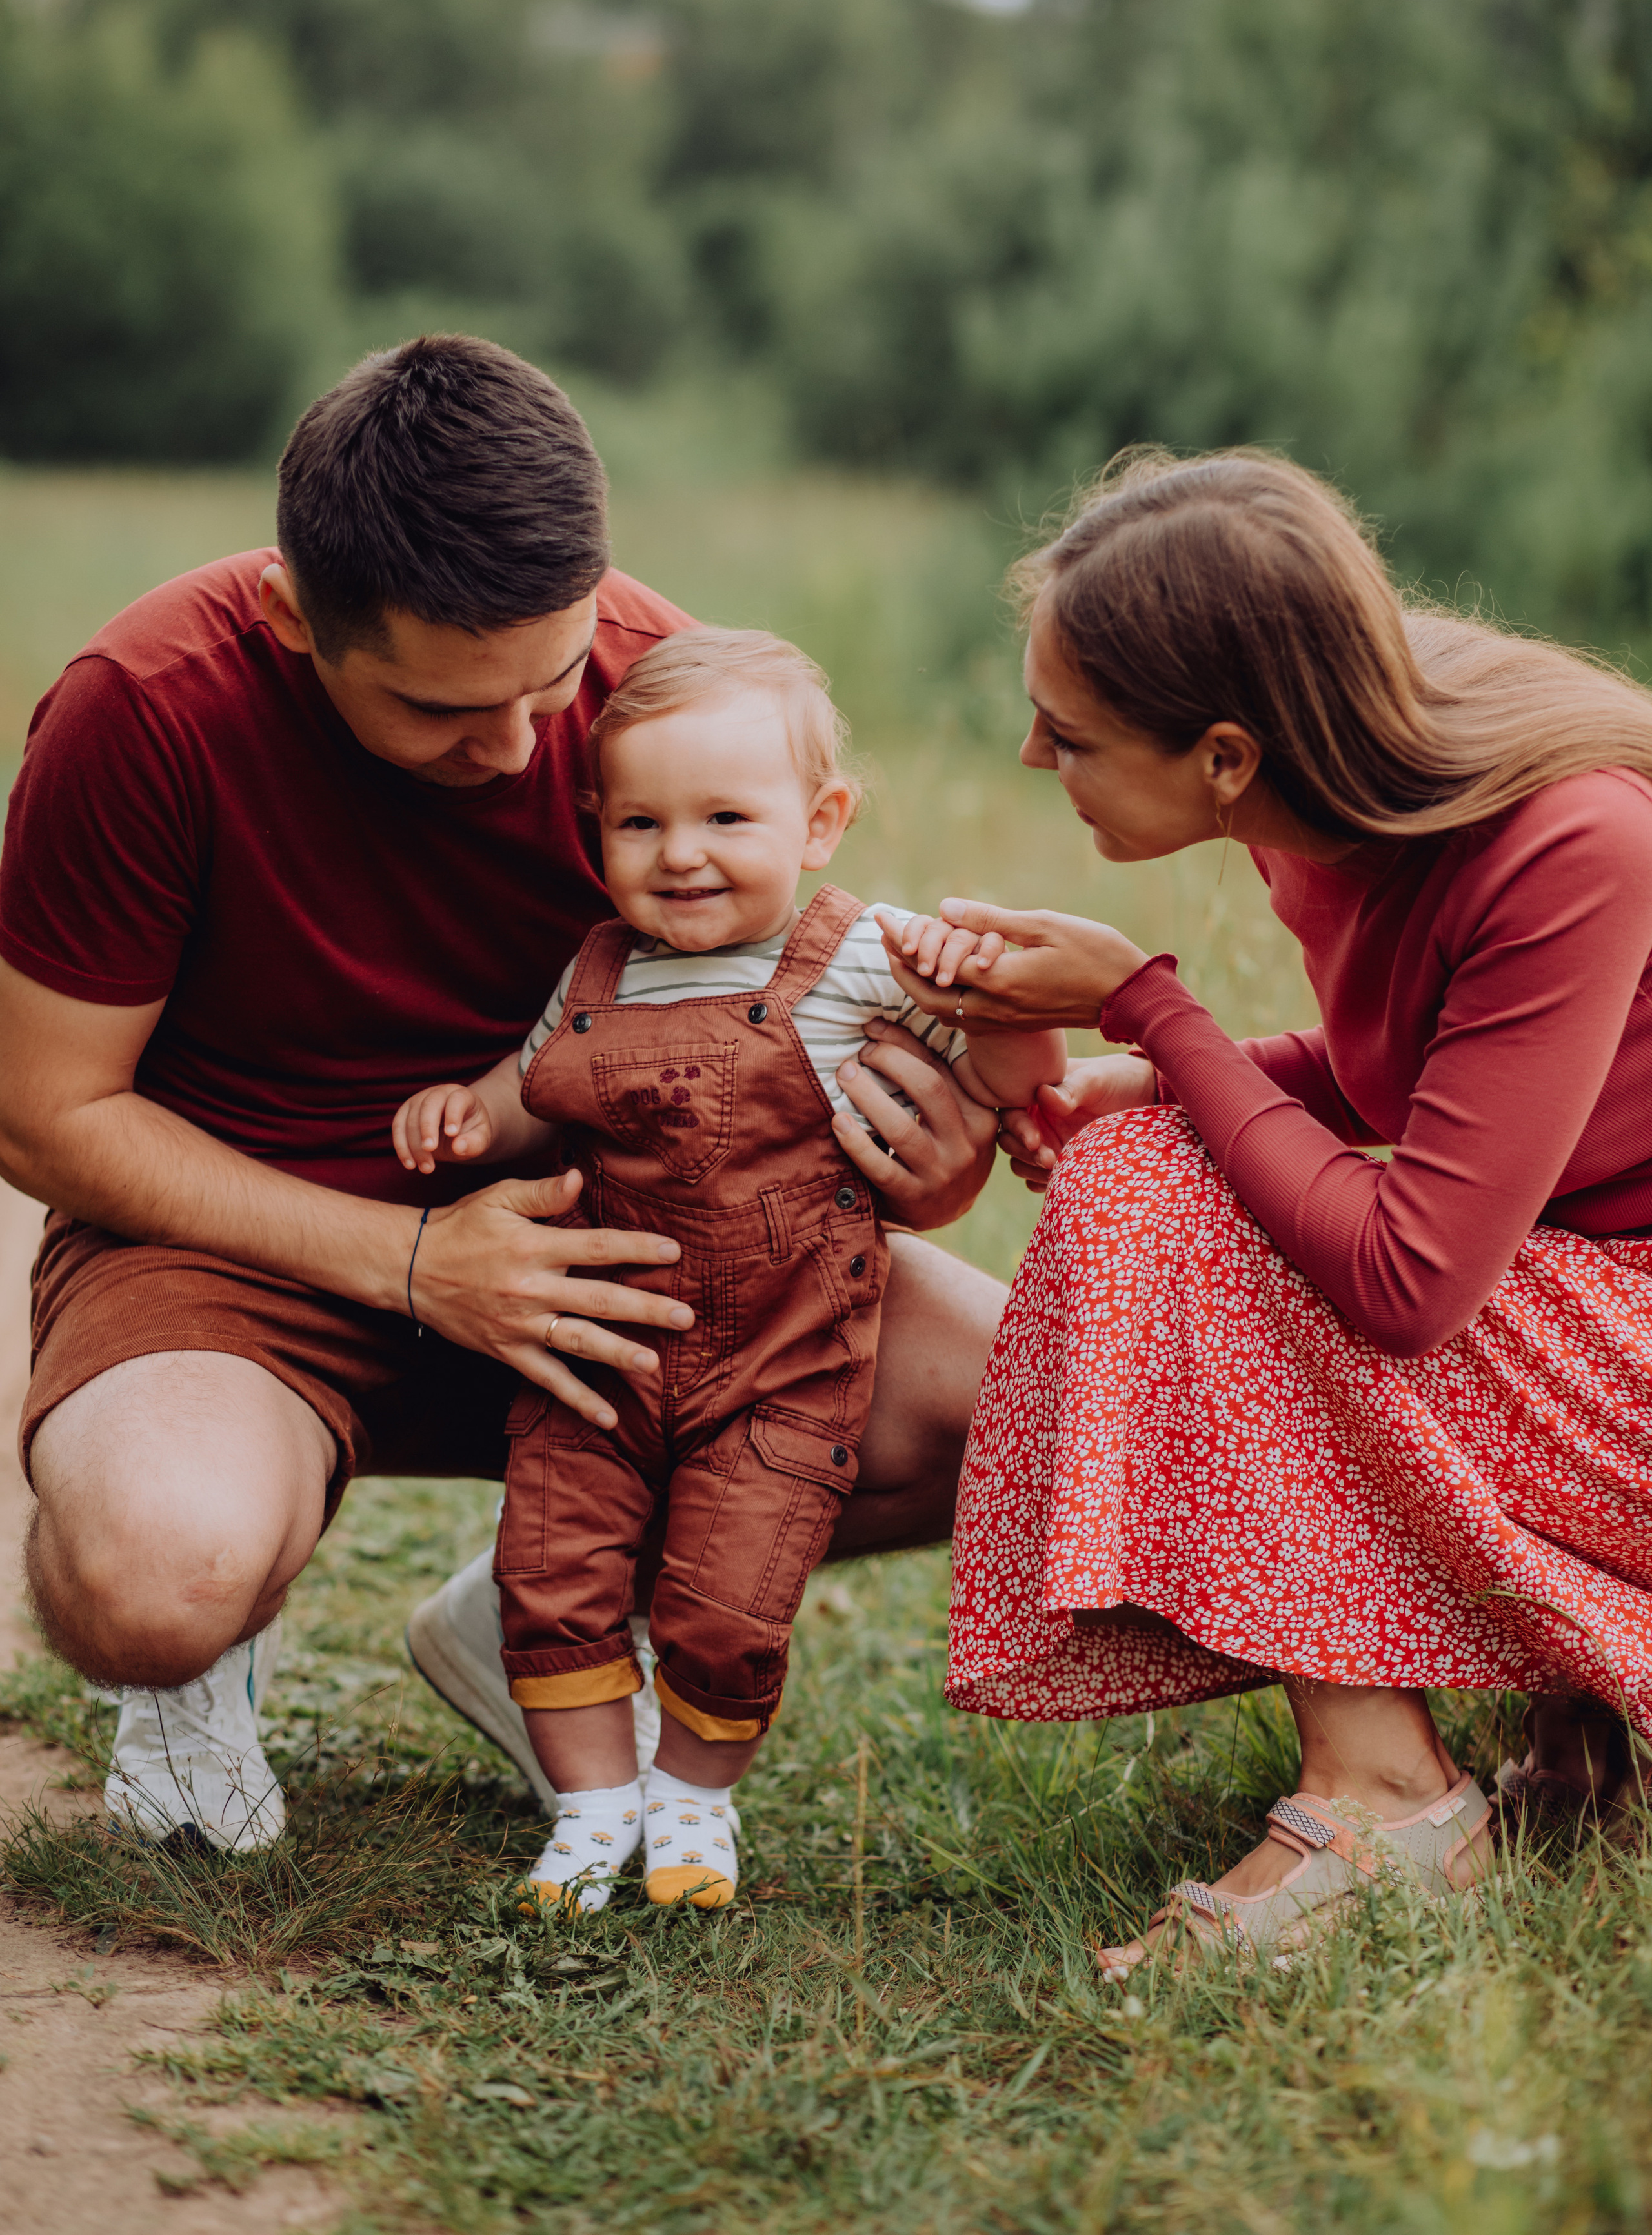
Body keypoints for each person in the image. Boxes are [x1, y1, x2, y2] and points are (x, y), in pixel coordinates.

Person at [0, 335, 1004, 1852]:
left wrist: (923, 1156)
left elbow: (779, 1010)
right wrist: (411, 1262)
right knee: (158, 1578)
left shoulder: (645, 680)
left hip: (617, 1243)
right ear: (295, 619)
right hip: (236, 1249)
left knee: (1013, 1394)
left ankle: (546, 1608)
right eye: (441, 712)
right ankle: (201, 1664)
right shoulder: (144, 707)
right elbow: (44, 1114)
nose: (524, 747)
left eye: (550, 681)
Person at [885, 446, 1652, 1974]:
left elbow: (1409, 1277)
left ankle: (1386, 1803)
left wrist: (1149, 1014)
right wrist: (1180, 1070)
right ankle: (1523, 1719)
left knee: (1168, 1196)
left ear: (1227, 755)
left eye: (1071, 732)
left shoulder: (1571, 834)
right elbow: (1449, 1072)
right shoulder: (1343, 775)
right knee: (1150, 1161)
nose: (1037, 760)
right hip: (1584, 1281)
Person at [391, 627, 1064, 1912]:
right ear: (596, 827)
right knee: (555, 1570)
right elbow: (537, 1087)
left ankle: (694, 1805)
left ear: (820, 822)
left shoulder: (862, 954)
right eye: (639, 824)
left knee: (731, 1597)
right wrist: (469, 1116)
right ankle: (590, 1812)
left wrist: (1017, 1061)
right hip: (603, 1350)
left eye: (723, 818)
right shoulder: (597, 970)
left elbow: (992, 1046)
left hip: (783, 1363)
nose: (679, 853)